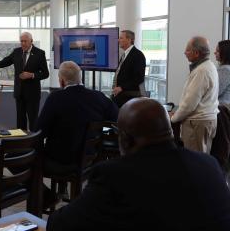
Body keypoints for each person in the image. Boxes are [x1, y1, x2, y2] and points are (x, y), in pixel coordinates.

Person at [47, 98, 230, 231]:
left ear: (125, 140)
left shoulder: (114, 175)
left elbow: (61, 225)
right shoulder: (209, 165)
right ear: (170, 131)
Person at [37, 61, 118, 175]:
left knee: (14, 157)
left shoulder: (55, 98)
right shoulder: (99, 97)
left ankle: (47, 193)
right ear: (80, 78)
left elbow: (39, 131)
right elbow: (116, 118)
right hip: (89, 158)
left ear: (61, 81)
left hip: (60, 160)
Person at [0, 32, 49, 131]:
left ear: (31, 41)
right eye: (21, 41)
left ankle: (34, 144)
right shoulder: (16, 52)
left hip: (33, 94)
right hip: (19, 93)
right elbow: (2, 63)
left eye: (25, 41)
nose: (23, 43)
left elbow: (45, 73)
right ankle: (21, 144)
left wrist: (32, 75)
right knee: (20, 122)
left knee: (33, 121)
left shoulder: (40, 53)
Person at [171, 36, 218, 153]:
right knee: (202, 159)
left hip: (197, 123)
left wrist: (174, 118)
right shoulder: (208, 66)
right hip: (204, 121)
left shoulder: (202, 71)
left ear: (196, 53)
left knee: (196, 162)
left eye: (187, 50)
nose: (184, 53)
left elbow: (190, 103)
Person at [111, 30, 146, 108]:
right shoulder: (124, 55)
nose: (118, 40)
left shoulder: (138, 55)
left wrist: (121, 87)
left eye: (121, 38)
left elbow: (139, 78)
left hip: (129, 98)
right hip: (121, 96)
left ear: (129, 39)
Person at [215, 40, 230, 105]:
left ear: (225, 52)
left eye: (218, 51)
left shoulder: (225, 70)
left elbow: (215, 92)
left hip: (221, 109)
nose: (215, 52)